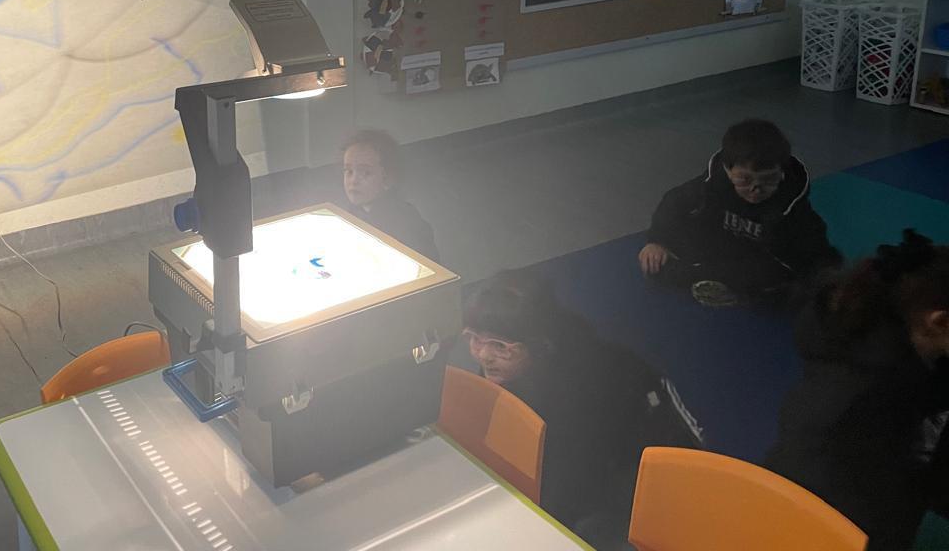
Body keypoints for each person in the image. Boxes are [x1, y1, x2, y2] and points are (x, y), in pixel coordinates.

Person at [463, 272, 703, 548]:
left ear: (540, 346)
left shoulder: (585, 387)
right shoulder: (509, 366)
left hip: (637, 480)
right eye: (475, 339)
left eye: (500, 346)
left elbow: (571, 482)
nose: (483, 356)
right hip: (580, 471)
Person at [768, 231, 949, 551]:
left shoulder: (883, 325)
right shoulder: (870, 404)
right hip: (836, 522)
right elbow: (898, 493)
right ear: (939, 321)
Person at [638, 119, 840, 304]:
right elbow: (673, 203)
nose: (756, 189)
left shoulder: (791, 205)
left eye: (769, 180)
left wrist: (828, 283)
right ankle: (719, 284)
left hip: (756, 260)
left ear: (782, 173)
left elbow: (817, 251)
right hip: (715, 246)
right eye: (744, 180)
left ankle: (733, 289)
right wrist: (657, 241)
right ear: (728, 171)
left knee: (776, 281)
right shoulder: (711, 186)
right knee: (656, 261)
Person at [341, 130, 440, 264]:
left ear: (388, 176)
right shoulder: (346, 214)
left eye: (365, 173)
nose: (353, 180)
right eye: (348, 171)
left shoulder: (408, 223)